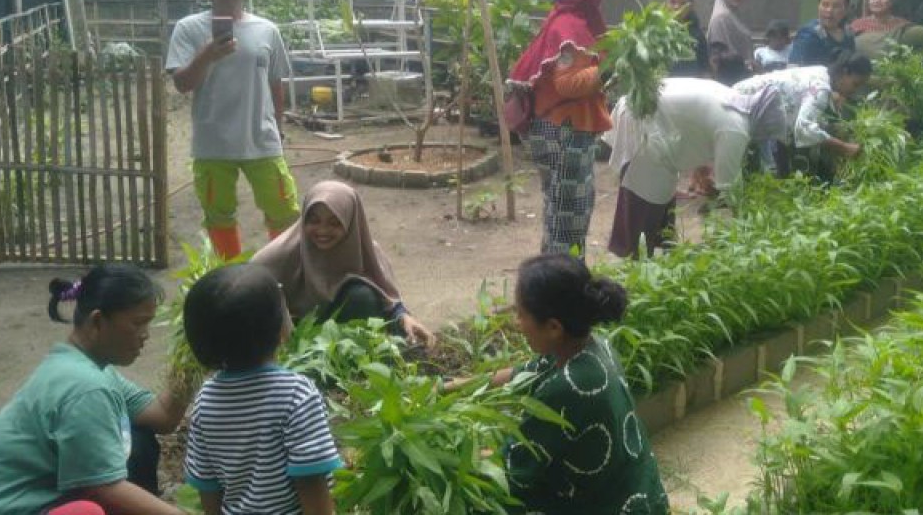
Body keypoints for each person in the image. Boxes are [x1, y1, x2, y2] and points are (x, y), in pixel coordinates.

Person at [0, 266, 190, 515]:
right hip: (9, 509)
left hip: (38, 502)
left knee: (138, 438)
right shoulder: (85, 387)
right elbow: (106, 488)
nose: (146, 335)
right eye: (138, 323)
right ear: (98, 321)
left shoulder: (87, 367)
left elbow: (162, 416)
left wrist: (189, 358)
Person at [456, 254, 669, 514]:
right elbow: (525, 372)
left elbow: (514, 467)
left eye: (521, 314)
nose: (517, 323)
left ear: (554, 327)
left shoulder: (568, 389)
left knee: (489, 500)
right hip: (639, 491)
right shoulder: (592, 346)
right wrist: (454, 387)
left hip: (612, 506)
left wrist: (459, 455)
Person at [604, 70, 857, 257]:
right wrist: (747, 224)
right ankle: (632, 256)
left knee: (661, 190)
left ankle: (658, 251)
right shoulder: (736, 126)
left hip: (650, 113)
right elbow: (729, 185)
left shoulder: (736, 101)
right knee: (644, 192)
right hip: (641, 115)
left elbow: (697, 125)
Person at [167, 0, 299, 261]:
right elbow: (182, 83)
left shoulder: (267, 30)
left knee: (283, 210)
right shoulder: (188, 29)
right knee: (219, 217)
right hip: (213, 144)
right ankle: (230, 279)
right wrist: (208, 55)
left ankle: (284, 269)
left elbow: (276, 82)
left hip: (262, 140)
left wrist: (278, 127)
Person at [182, 264, 342, 515]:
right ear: (280, 329)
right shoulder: (297, 395)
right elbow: (312, 484)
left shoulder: (206, 399)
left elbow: (208, 487)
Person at [508, 0, 618, 258]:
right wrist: (610, 67)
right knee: (568, 217)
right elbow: (567, 84)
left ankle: (552, 283)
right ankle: (562, 289)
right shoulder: (569, 27)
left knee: (562, 212)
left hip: (559, 129)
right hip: (563, 132)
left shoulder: (567, 21)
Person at [252, 180, 435, 346]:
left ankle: (374, 357)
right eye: (314, 221)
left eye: (334, 223)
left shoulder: (365, 250)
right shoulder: (276, 256)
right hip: (295, 336)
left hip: (344, 336)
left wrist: (402, 316)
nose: (323, 230)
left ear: (350, 222)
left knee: (362, 297)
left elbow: (386, 294)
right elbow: (250, 300)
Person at [733, 53, 873, 179]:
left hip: (742, 100)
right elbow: (804, 128)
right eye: (855, 84)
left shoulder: (822, 72)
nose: (854, 91)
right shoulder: (821, 87)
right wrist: (843, 147)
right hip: (740, 105)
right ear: (845, 72)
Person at [849, 0, 923, 59]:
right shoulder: (857, 25)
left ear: (891, 1)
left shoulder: (902, 26)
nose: (877, 0)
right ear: (869, 2)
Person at [789, 0, 856, 67]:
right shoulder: (808, 34)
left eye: (836, 6)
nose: (829, 10)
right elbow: (794, 68)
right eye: (825, 5)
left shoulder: (848, 33)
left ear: (845, 9)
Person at [706, 0, 757, 72]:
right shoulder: (721, 18)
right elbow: (716, 53)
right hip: (729, 75)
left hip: (745, 72)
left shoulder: (736, 17)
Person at [666, 0, 709, 77]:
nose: (677, 7)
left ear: (691, 6)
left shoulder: (697, 35)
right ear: (666, 3)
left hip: (690, 88)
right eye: (672, 2)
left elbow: (705, 69)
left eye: (683, 3)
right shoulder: (656, 32)